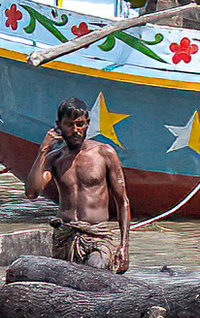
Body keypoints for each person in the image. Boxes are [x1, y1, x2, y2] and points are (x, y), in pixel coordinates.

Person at [25, 96, 131, 271]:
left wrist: (124, 246)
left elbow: (122, 201)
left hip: (97, 236)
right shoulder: (55, 159)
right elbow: (32, 192)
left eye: (80, 124)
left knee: (95, 267)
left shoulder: (104, 154)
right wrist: (43, 150)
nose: (75, 130)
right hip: (65, 236)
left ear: (87, 123)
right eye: (69, 125)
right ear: (58, 126)